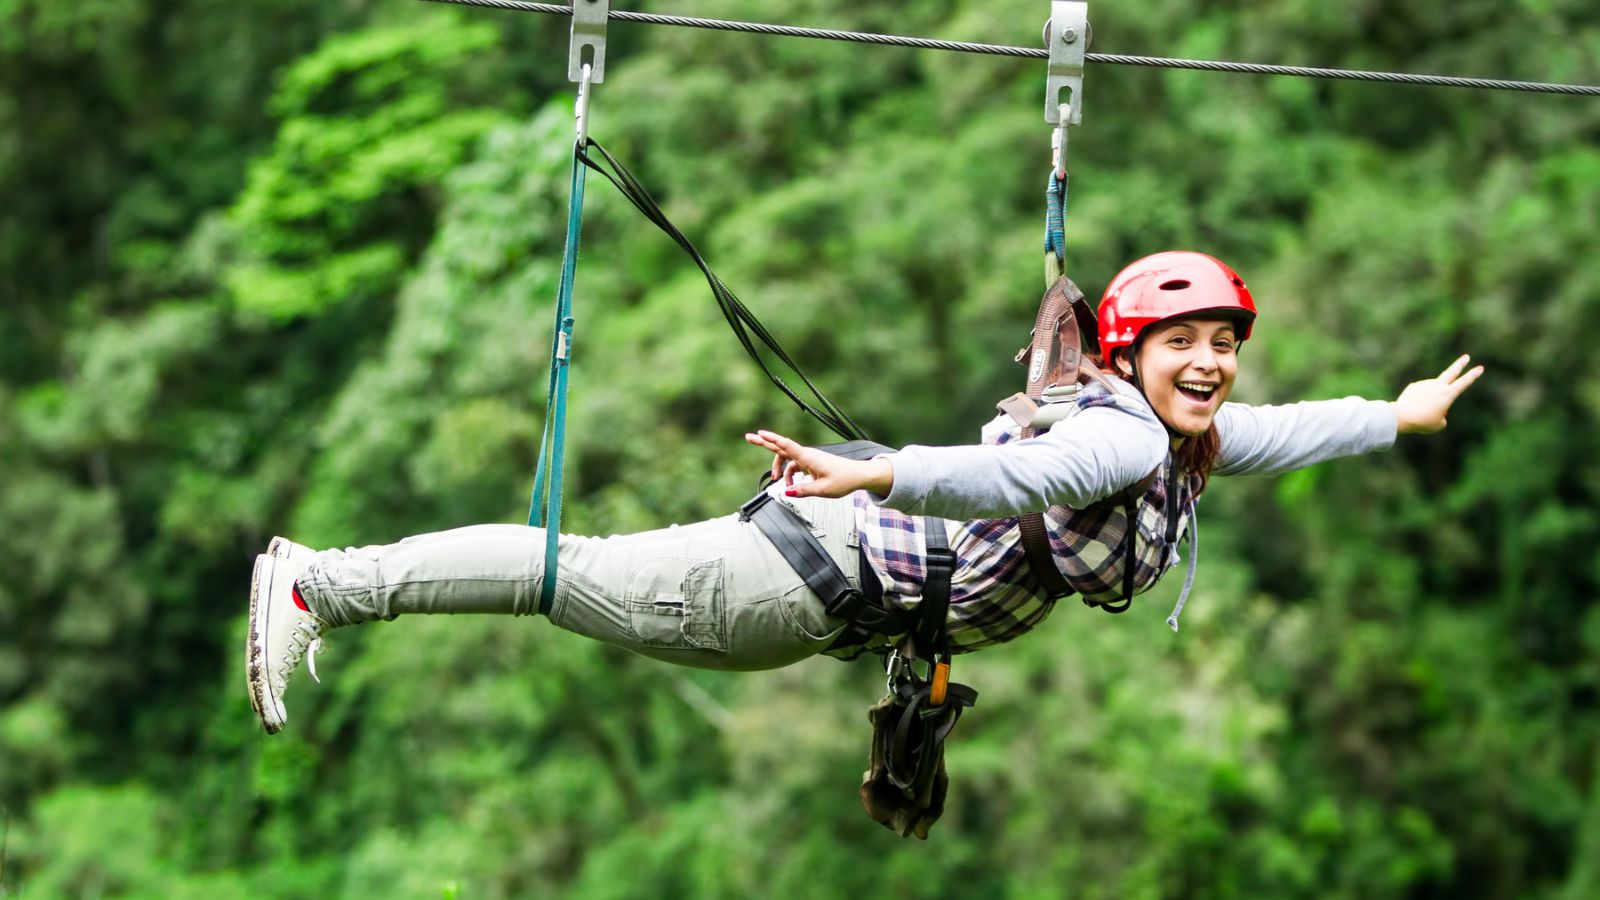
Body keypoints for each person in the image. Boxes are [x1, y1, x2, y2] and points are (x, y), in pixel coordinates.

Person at [247, 251, 1484, 735]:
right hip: (795, 584)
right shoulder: (1117, 443)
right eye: (1183, 344)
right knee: (561, 575)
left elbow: (1283, 430)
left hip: (823, 584)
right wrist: (882, 468)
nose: (1210, 363)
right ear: (1125, 357)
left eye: (1224, 342)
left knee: (566, 577)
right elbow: (1019, 475)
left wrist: (1397, 413)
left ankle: (328, 582)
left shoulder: (1179, 435)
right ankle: (319, 583)